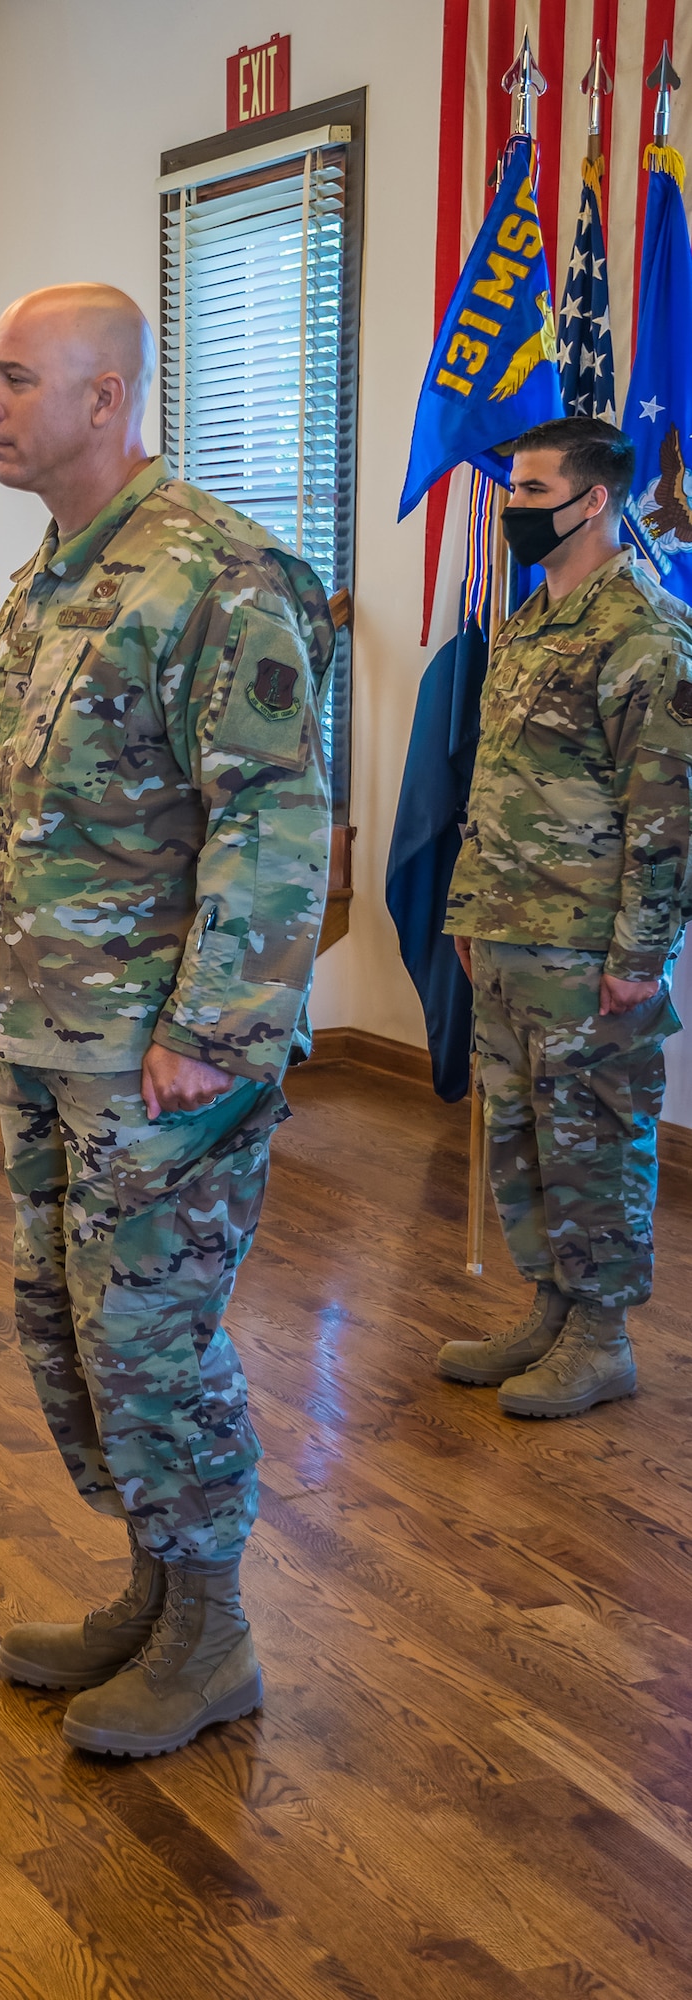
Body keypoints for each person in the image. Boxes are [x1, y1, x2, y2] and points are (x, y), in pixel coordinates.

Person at [0, 283, 335, 1757]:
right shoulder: (53, 574)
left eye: (11, 377)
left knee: (154, 1338)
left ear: (103, 399)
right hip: (50, 1032)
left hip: (159, 1055)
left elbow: (277, 820)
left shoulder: (220, 576)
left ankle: (214, 1637)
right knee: (68, 1327)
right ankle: (156, 1592)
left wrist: (214, 1030)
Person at [439, 415, 692, 1417]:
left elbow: (666, 815)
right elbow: (498, 783)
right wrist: (469, 910)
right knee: (520, 1135)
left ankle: (601, 1336)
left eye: (533, 492)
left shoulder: (646, 639)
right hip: (507, 935)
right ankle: (548, 1308)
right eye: (511, 490)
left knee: (592, 1136)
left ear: (594, 501)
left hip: (590, 950)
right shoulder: (529, 622)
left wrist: (638, 956)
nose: (511, 508)